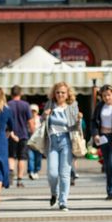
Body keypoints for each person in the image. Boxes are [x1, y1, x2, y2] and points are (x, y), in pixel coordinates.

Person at [44, 82, 80, 211]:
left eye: (63, 92)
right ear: (54, 93)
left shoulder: (72, 106)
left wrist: (78, 120)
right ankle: (54, 193)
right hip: (52, 141)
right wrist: (45, 116)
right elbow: (43, 125)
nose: (60, 95)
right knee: (52, 173)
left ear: (67, 94)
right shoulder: (49, 105)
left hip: (66, 140)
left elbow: (76, 127)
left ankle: (63, 201)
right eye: (58, 92)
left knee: (64, 173)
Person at [7, 85, 32, 188]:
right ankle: (20, 179)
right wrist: (33, 132)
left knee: (11, 156)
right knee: (22, 157)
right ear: (20, 93)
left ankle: (11, 172)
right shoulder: (26, 105)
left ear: (11, 94)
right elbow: (30, 121)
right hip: (23, 134)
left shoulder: (8, 105)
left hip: (11, 134)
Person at [27, 104, 43, 180]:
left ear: (37, 112)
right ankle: (31, 171)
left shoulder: (40, 119)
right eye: (31, 111)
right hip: (30, 139)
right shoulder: (27, 119)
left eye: (34, 111)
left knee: (38, 157)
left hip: (39, 139)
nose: (33, 113)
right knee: (30, 157)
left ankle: (36, 170)